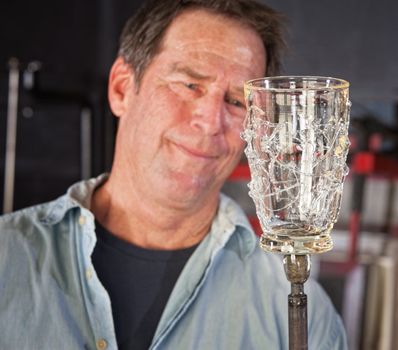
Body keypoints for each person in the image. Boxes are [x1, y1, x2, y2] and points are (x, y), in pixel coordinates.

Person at [0, 0, 348, 349]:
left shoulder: (303, 317)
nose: (211, 121)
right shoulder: (7, 257)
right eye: (189, 85)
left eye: (237, 102)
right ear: (122, 87)